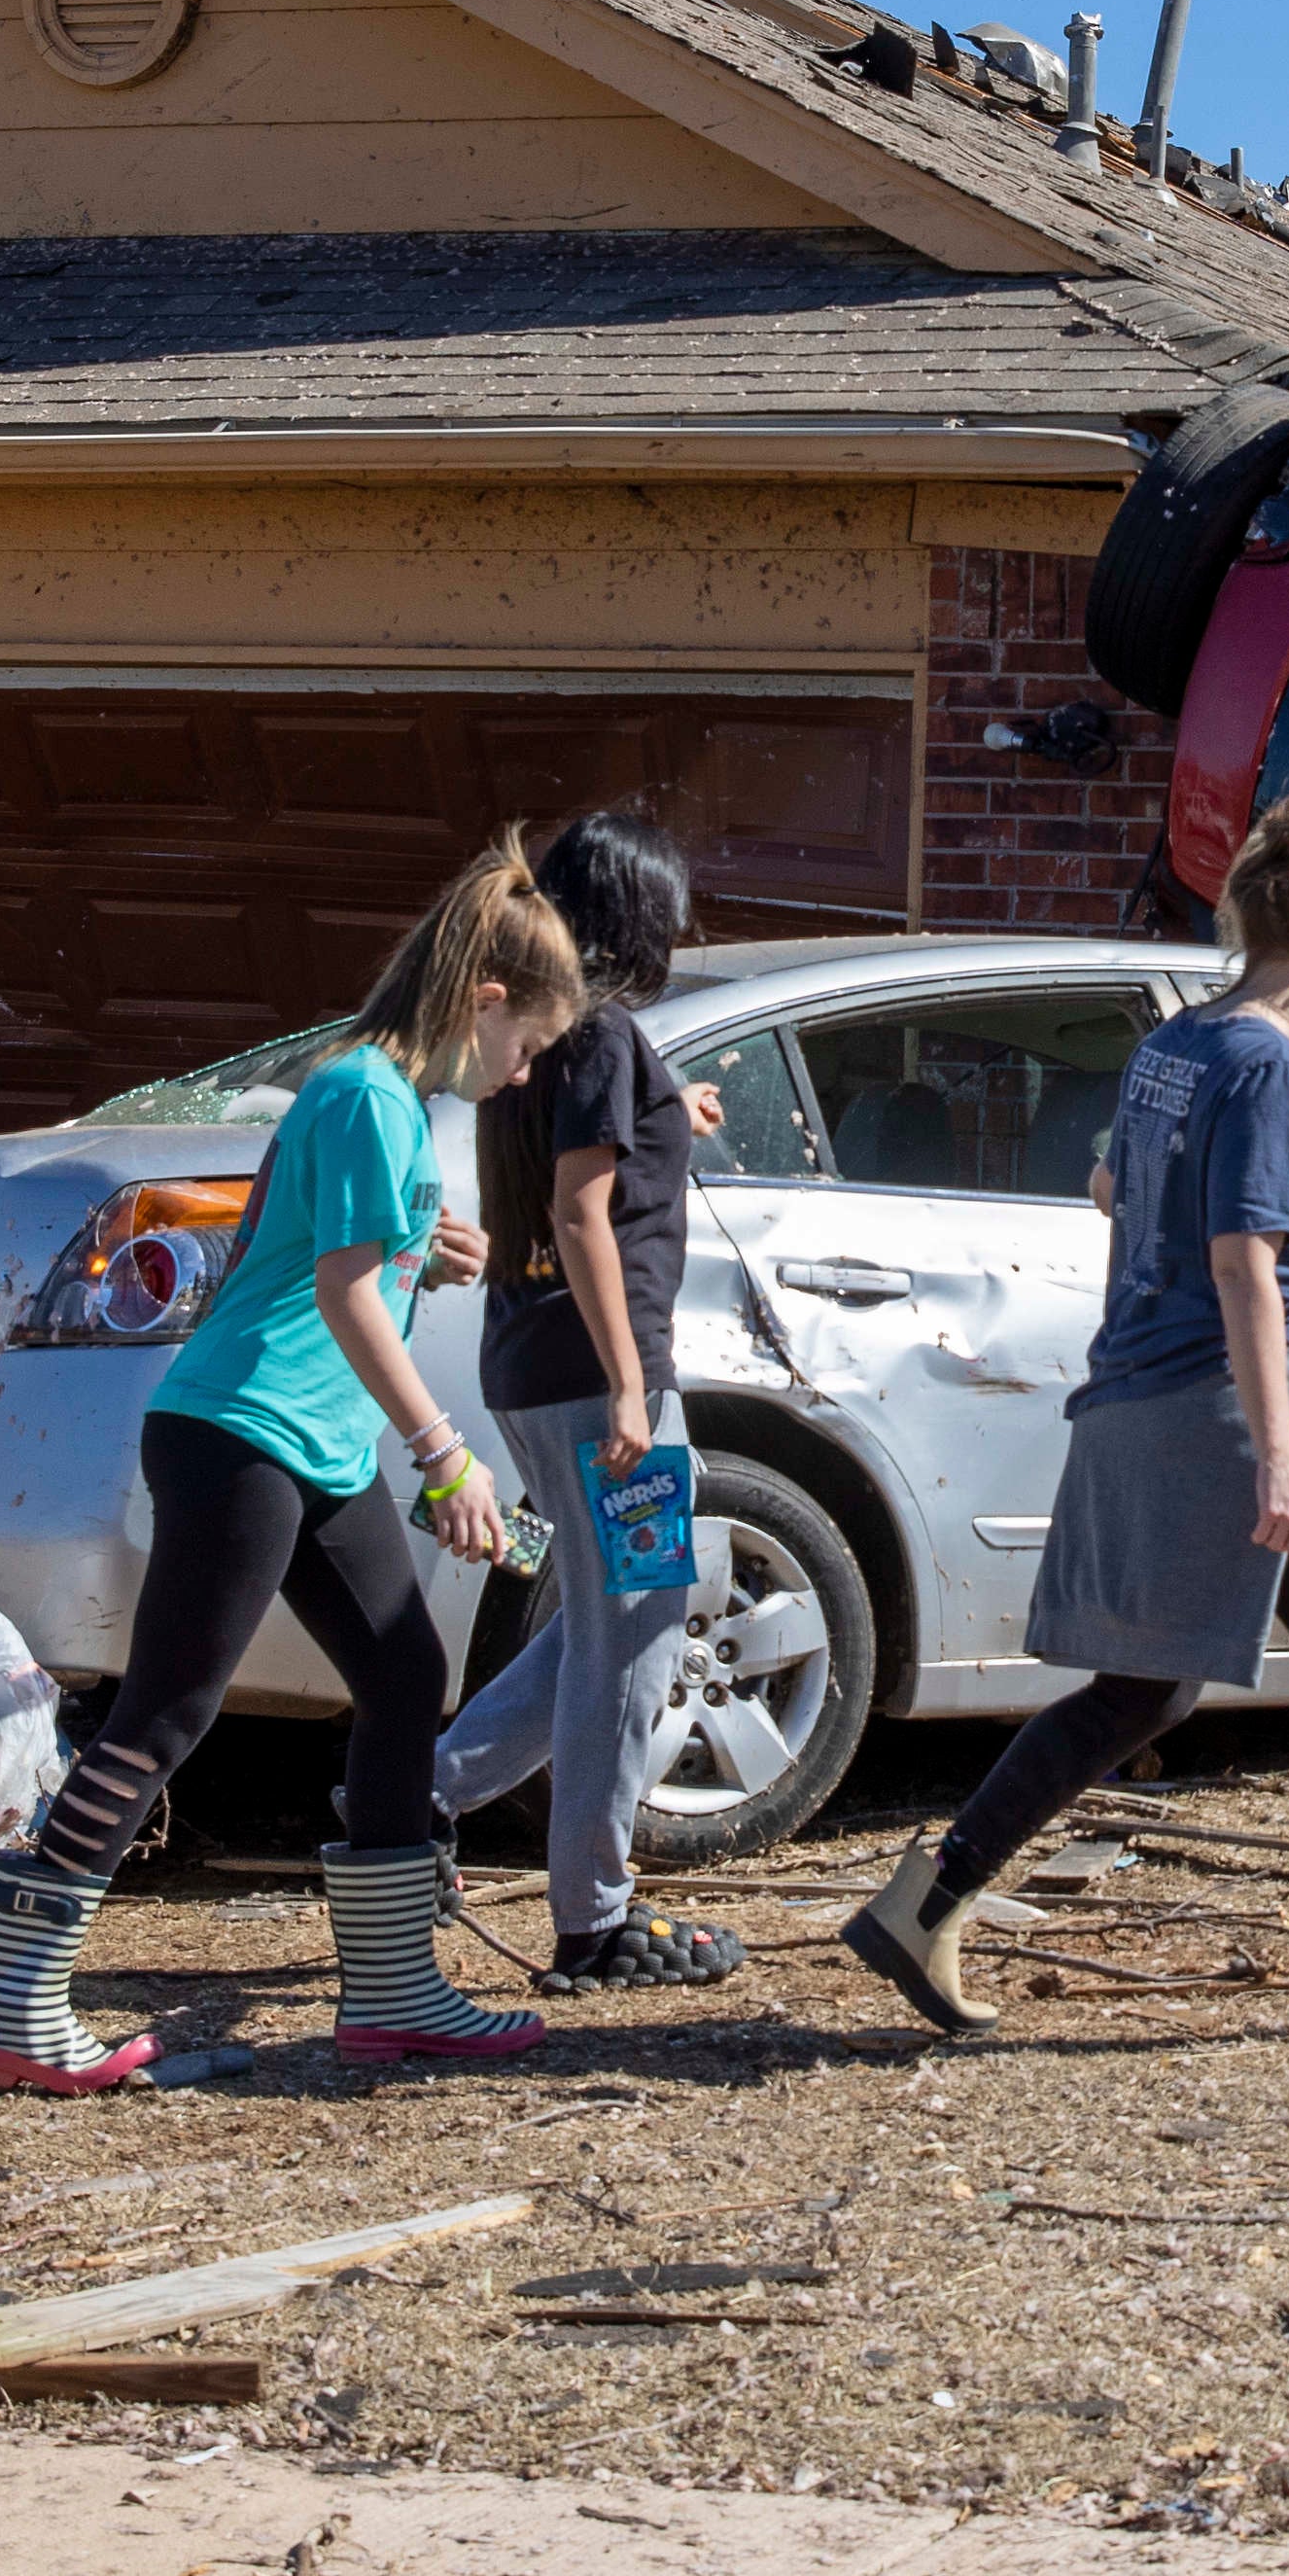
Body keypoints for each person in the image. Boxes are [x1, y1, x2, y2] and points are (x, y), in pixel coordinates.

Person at [843, 789, 1289, 2044]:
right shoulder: (1268, 1063)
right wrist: (1277, 1460)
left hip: (1143, 1389)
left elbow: (1109, 1182)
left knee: (1141, 1692)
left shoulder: (1181, 1044)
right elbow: (1247, 1261)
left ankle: (928, 1895)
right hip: (1249, 1399)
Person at [0, 834, 582, 2090]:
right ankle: (13, 2013)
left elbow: (321, 1241)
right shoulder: (366, 1092)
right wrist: (446, 1454)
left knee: (407, 1673)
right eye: (525, 1050)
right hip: (242, 1436)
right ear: (487, 1004)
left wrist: (426, 1239)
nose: (521, 1079)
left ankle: (396, 1991)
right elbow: (343, 1292)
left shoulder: (383, 1101)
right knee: (164, 1715)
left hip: (308, 1444)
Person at [431, 805, 749, 1993]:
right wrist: (630, 1384)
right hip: (600, 1376)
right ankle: (593, 1915)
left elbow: (588, 1156)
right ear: (640, 916)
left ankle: (416, 1800)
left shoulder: (546, 1035)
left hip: (525, 1365)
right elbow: (580, 1212)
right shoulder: (604, 1037)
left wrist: (678, 1110)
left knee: (605, 1617)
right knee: (648, 1614)